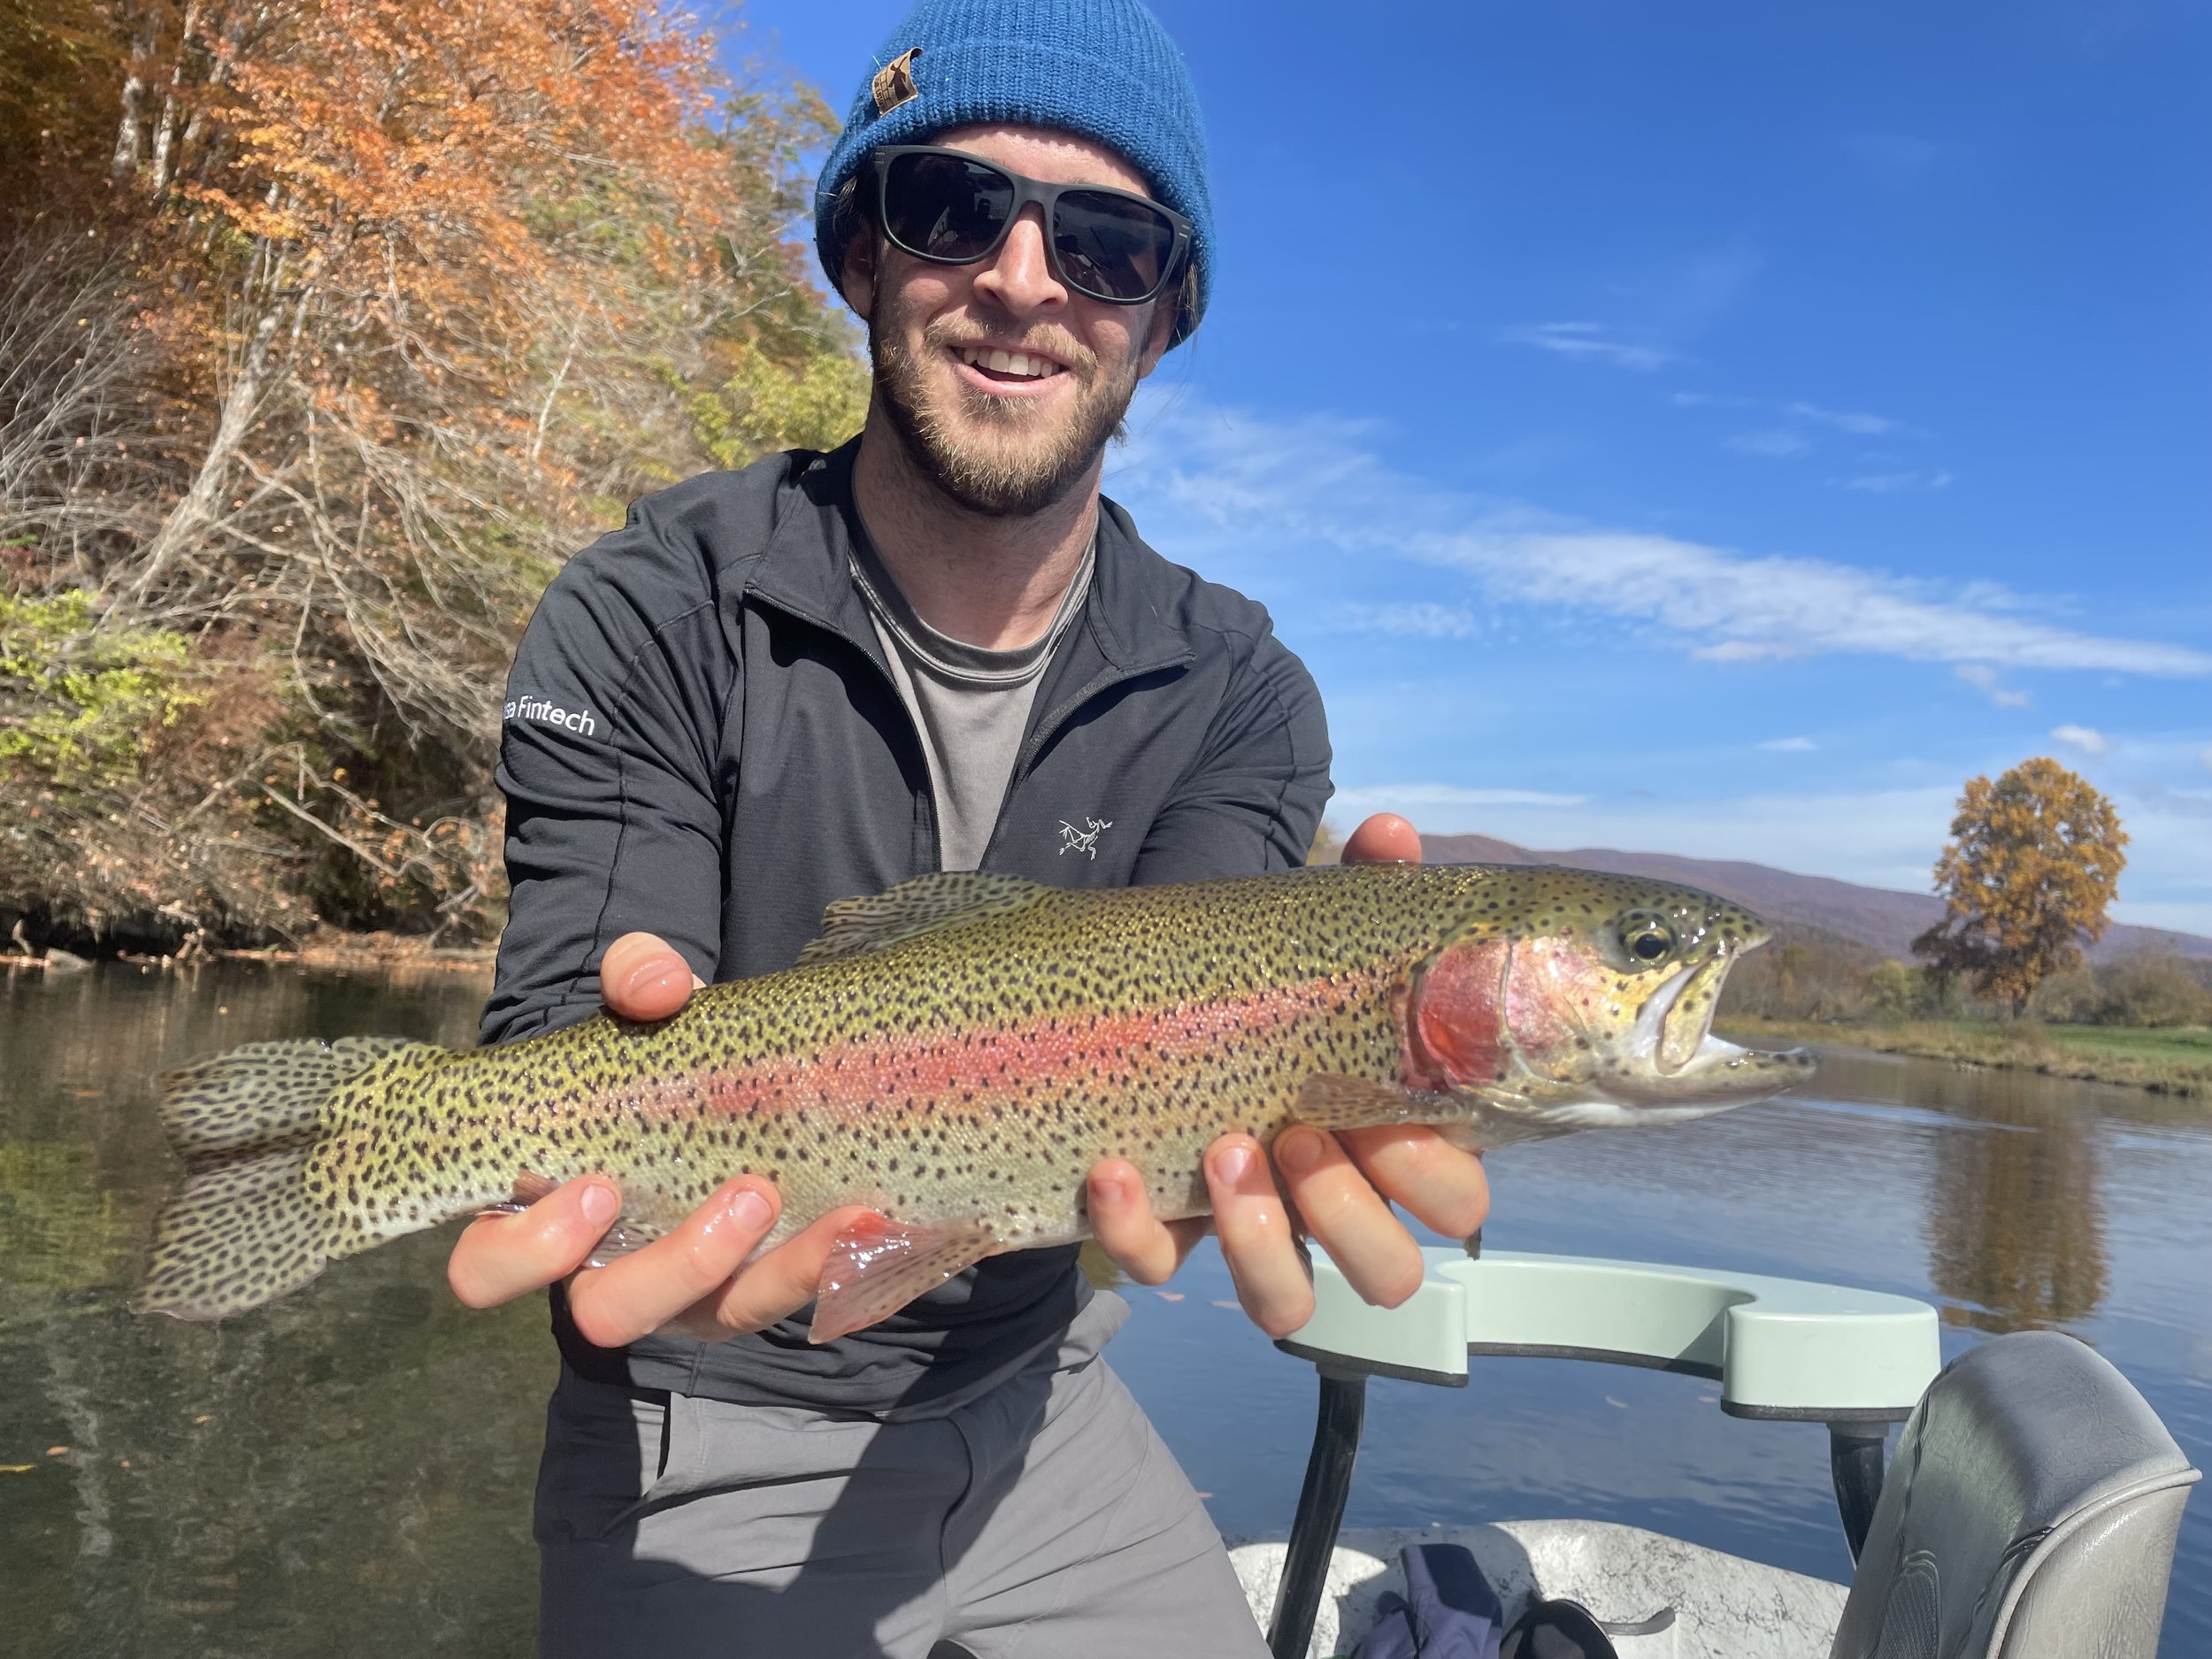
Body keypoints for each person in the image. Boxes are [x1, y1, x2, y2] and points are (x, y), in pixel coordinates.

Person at [447, 3, 1492, 1654]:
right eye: (951, 207)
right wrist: (593, 1109)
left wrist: (1326, 1031)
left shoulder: (1241, 692)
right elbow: (571, 1018)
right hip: (701, 1417)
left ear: (1165, 315)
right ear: (861, 254)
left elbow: (1181, 1055)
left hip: (1039, 1406)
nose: (1023, 277)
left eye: (1106, 240)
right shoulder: (650, 607)